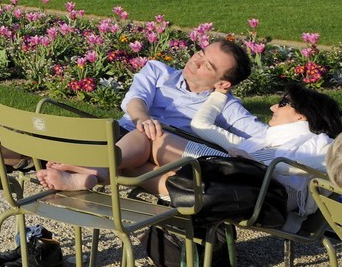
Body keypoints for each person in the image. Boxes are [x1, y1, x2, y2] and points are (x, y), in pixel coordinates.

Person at [0, 40, 258, 181]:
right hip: (122, 133)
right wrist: (142, 117)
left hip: (145, 150)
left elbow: (263, 138)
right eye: (200, 52)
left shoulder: (226, 106)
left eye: (208, 65)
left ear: (223, 84)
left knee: (32, 158)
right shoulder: (159, 70)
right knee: (35, 149)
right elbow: (136, 99)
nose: (196, 61)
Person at [116, 84, 342, 215]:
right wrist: (219, 95)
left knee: (151, 140)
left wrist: (255, 162)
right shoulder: (262, 139)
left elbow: (324, 166)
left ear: (303, 114)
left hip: (253, 191)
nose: (273, 106)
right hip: (230, 177)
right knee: (135, 166)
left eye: (283, 103)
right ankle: (95, 171)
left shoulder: (321, 143)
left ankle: (93, 166)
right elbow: (201, 126)